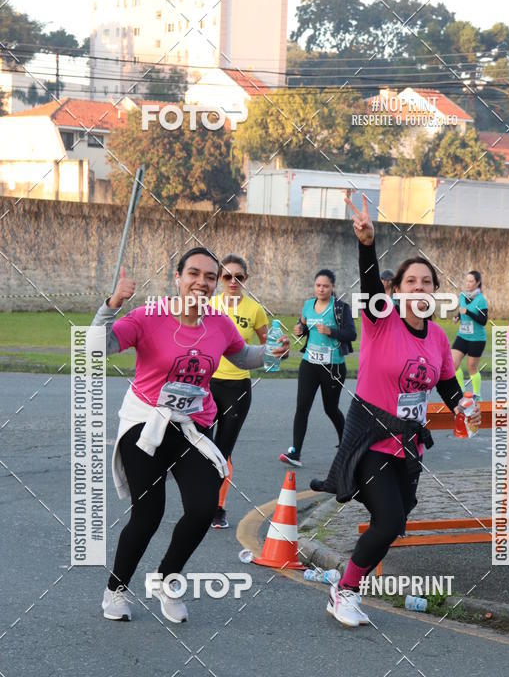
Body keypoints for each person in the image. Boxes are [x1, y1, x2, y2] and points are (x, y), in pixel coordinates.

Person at [91, 247, 289, 623]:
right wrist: (112, 304)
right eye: (194, 273)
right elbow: (98, 347)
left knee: (202, 508)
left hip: (193, 427)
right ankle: (116, 589)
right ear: (178, 277)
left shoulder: (218, 321)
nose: (202, 282)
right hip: (146, 425)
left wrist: (270, 353)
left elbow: (242, 355)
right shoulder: (149, 316)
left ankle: (168, 578)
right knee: (148, 515)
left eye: (210, 277)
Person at [311, 195, 480, 629]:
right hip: (370, 437)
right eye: (411, 282)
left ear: (434, 292)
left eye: (427, 283)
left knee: (394, 522)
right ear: (397, 290)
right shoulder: (379, 318)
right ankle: (344, 591)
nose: (419, 289)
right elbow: (368, 283)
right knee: (387, 520)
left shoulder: (439, 338)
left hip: (407, 445)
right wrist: (367, 243)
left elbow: (445, 380)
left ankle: (346, 584)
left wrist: (463, 403)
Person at [209, 254, 268, 529]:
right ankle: (200, 501)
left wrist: (279, 350)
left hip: (238, 389)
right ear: (220, 279)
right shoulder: (209, 304)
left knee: (223, 451)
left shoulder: (255, 310)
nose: (233, 282)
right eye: (227, 276)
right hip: (206, 385)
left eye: (239, 277)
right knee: (201, 449)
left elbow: (268, 347)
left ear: (246, 279)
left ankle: (217, 507)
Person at [280, 269, 356, 468]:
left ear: (332, 288)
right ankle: (295, 453)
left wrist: (331, 331)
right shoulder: (307, 305)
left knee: (330, 409)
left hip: (333, 367)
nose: (321, 289)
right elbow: (303, 325)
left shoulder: (340, 308)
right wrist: (299, 329)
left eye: (325, 286)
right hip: (309, 364)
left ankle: (347, 444)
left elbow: (351, 334)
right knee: (302, 407)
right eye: (318, 285)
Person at [451, 270, 488, 399]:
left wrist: (468, 313)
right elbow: (462, 311)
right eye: (466, 281)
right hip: (462, 336)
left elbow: (483, 321)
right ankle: (461, 389)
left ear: (477, 283)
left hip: (477, 339)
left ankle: (477, 394)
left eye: (471, 281)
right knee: (452, 363)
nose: (468, 284)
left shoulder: (481, 300)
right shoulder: (462, 296)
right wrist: (457, 317)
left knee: (471, 367)